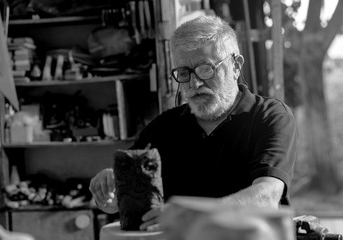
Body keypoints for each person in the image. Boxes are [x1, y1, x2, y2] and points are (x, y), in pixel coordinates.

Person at [89, 15, 297, 231]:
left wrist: (188, 215)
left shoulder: (269, 116)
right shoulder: (165, 126)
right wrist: (110, 192)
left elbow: (267, 197)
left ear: (236, 66)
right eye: (183, 72)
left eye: (206, 68)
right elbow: (122, 200)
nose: (194, 83)